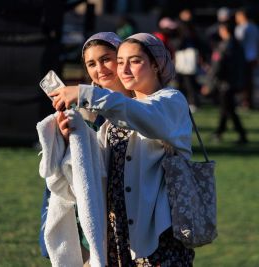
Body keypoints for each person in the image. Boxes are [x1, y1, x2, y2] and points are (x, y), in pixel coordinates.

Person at [50, 33, 195, 266]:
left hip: (157, 235)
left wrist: (85, 93)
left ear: (156, 65)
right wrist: (71, 139)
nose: (124, 69)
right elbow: (95, 172)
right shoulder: (111, 118)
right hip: (119, 234)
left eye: (135, 61)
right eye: (120, 62)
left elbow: (143, 115)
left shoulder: (171, 101)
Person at [39, 32, 131, 263]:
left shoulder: (141, 104)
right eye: (91, 63)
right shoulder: (83, 109)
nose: (100, 68)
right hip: (94, 216)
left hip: (135, 215)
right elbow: (70, 168)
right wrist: (65, 135)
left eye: (106, 59)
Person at [203, 21, 248, 144]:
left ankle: (240, 134)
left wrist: (209, 84)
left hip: (225, 84)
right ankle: (220, 132)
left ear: (225, 31)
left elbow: (217, 67)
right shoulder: (238, 45)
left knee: (228, 109)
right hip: (234, 82)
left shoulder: (223, 46)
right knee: (226, 108)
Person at [234, 8, 259, 109]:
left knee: (243, 80)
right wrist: (258, 56)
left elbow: (238, 43)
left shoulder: (241, 28)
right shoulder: (255, 27)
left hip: (244, 57)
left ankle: (244, 101)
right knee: (250, 81)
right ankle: (250, 101)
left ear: (242, 16)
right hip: (253, 57)